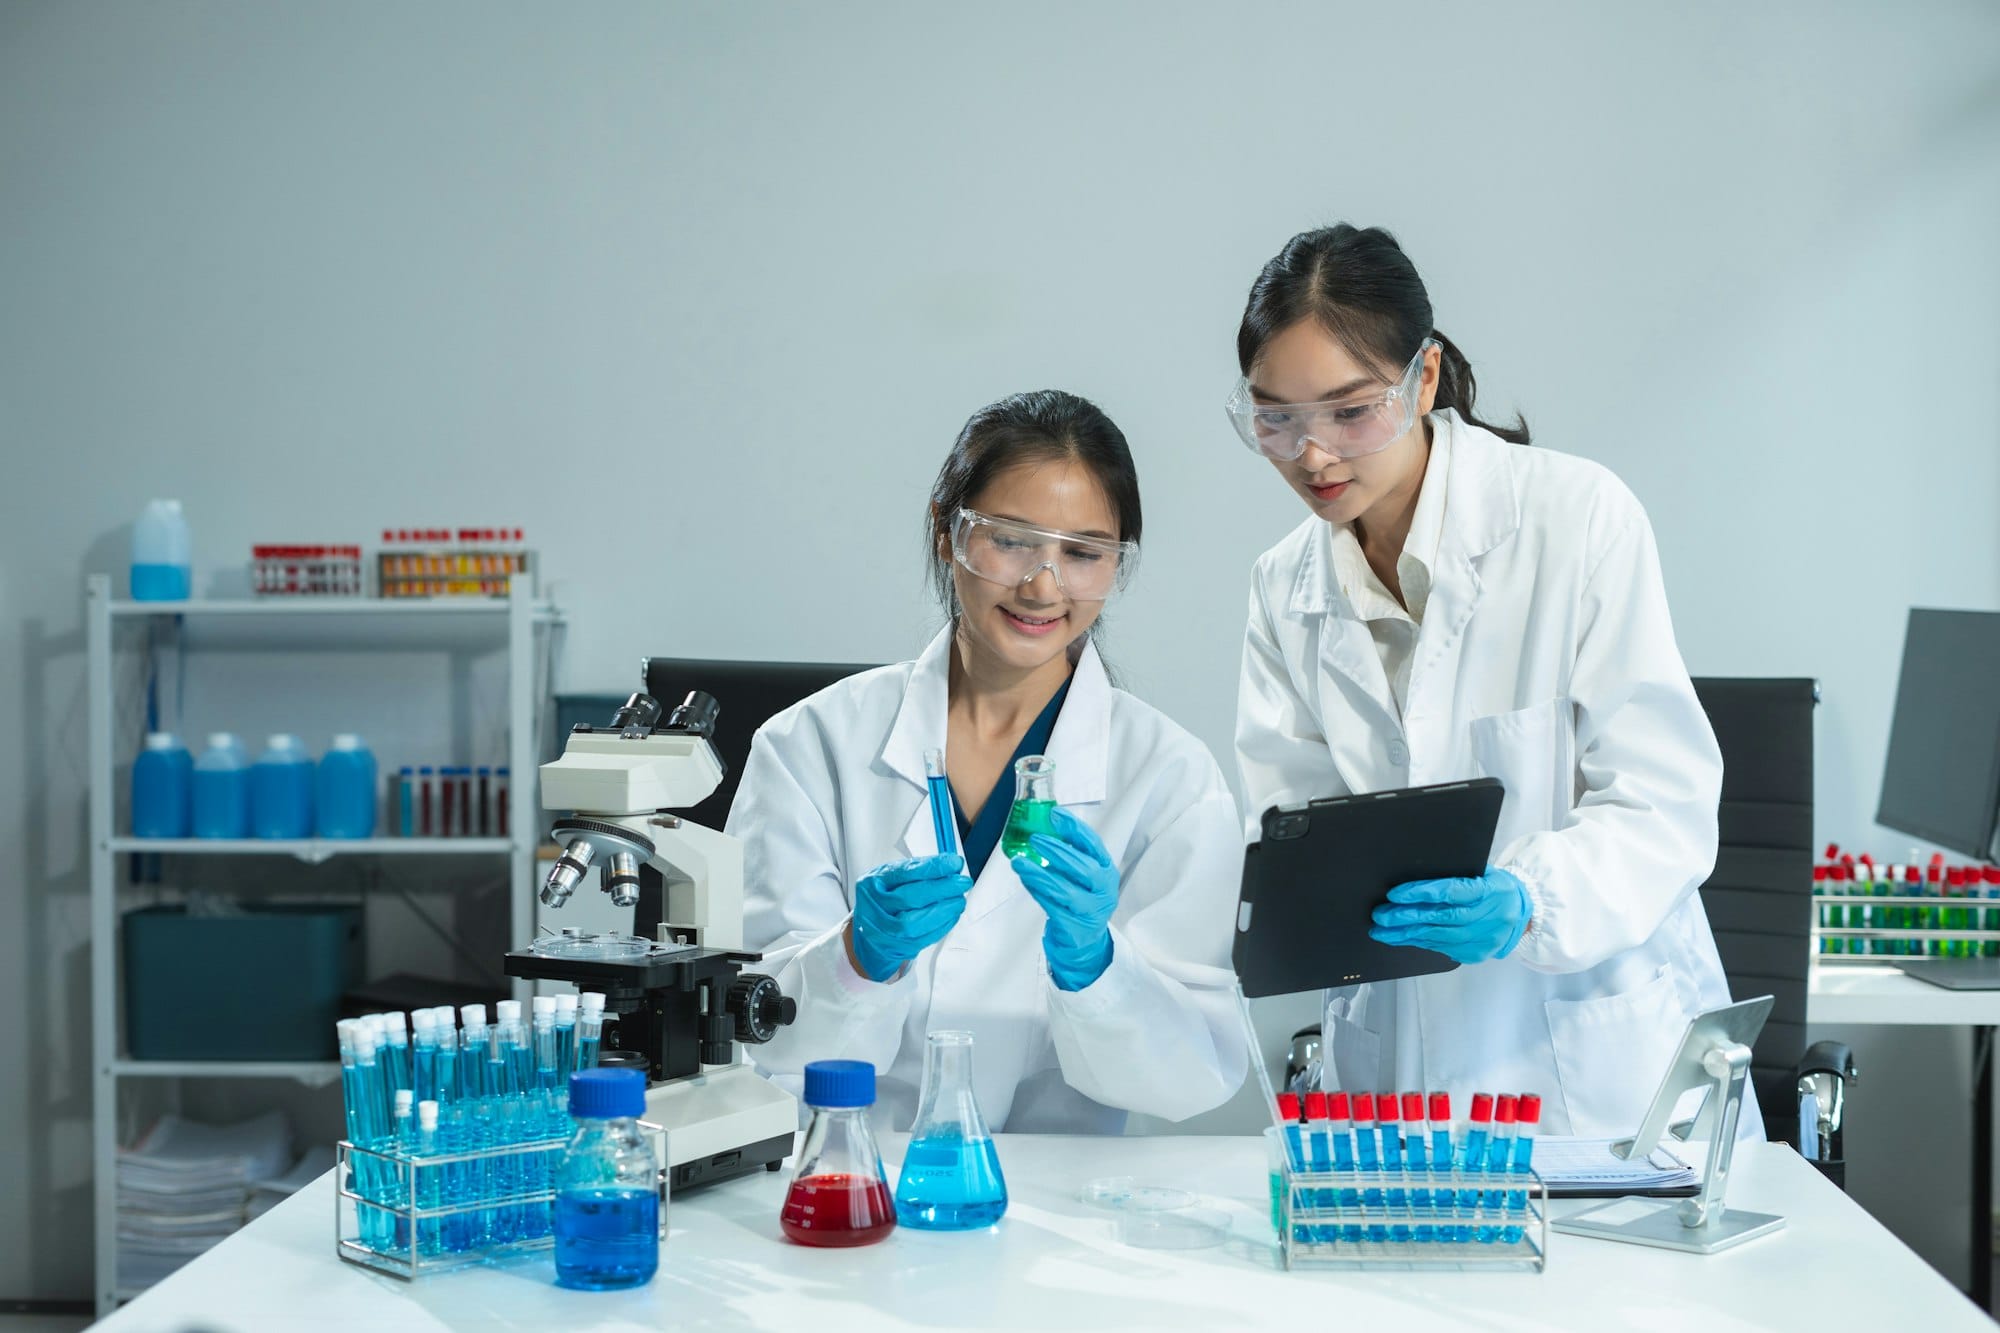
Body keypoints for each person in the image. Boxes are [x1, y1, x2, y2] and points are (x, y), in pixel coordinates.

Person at [1228, 224, 1746, 1138]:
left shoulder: (1577, 521)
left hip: (1596, 1074)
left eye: (1350, 412)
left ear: (1424, 377)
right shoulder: (1284, 588)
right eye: (1278, 419)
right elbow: (1293, 832)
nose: (1313, 455)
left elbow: (1665, 806)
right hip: (1394, 1070)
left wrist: (1530, 901)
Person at [734, 390, 1246, 1133]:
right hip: (850, 1171)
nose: (1043, 586)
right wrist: (855, 958)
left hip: (1062, 1196)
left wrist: (1097, 966)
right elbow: (758, 1039)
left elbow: (1193, 1076)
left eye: (1083, 554)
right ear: (947, 532)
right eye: (1010, 540)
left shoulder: (1171, 778)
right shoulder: (809, 745)